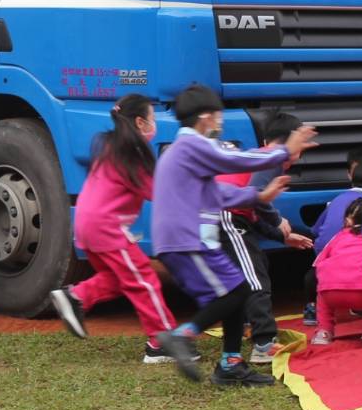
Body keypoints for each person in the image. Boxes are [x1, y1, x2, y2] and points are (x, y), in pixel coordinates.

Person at [150, 84, 317, 387]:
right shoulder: (192, 146)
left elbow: (217, 192)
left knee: (237, 290)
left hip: (193, 238)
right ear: (204, 116)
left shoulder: (188, 152)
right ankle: (180, 336)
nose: (221, 119)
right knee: (235, 293)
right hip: (187, 239)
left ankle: (230, 365)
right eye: (218, 113)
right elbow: (237, 161)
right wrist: (282, 151)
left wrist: (259, 195)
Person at [48, 94, 179, 363]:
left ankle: (76, 296)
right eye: (153, 118)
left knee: (120, 278)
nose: (155, 124)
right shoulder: (134, 155)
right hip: (106, 228)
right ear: (141, 122)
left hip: (87, 226)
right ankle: (161, 341)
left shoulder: (111, 146)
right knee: (144, 280)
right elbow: (160, 193)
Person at [217, 112, 313, 364]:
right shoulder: (270, 159)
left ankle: (248, 327)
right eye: (301, 144)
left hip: (228, 218)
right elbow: (256, 196)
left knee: (252, 269)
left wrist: (283, 237)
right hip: (226, 218)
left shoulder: (261, 157)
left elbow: (253, 212)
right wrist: (278, 220)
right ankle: (263, 343)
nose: (302, 152)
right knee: (255, 278)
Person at [303, 147, 362, 325]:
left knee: (313, 275)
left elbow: (316, 230)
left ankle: (312, 309)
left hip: (323, 261)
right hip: (355, 265)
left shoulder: (336, 200)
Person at [311, 198, 362, 347]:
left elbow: (318, 263)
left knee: (322, 291)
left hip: (332, 294)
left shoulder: (339, 236)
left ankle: (323, 331)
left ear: (351, 219)